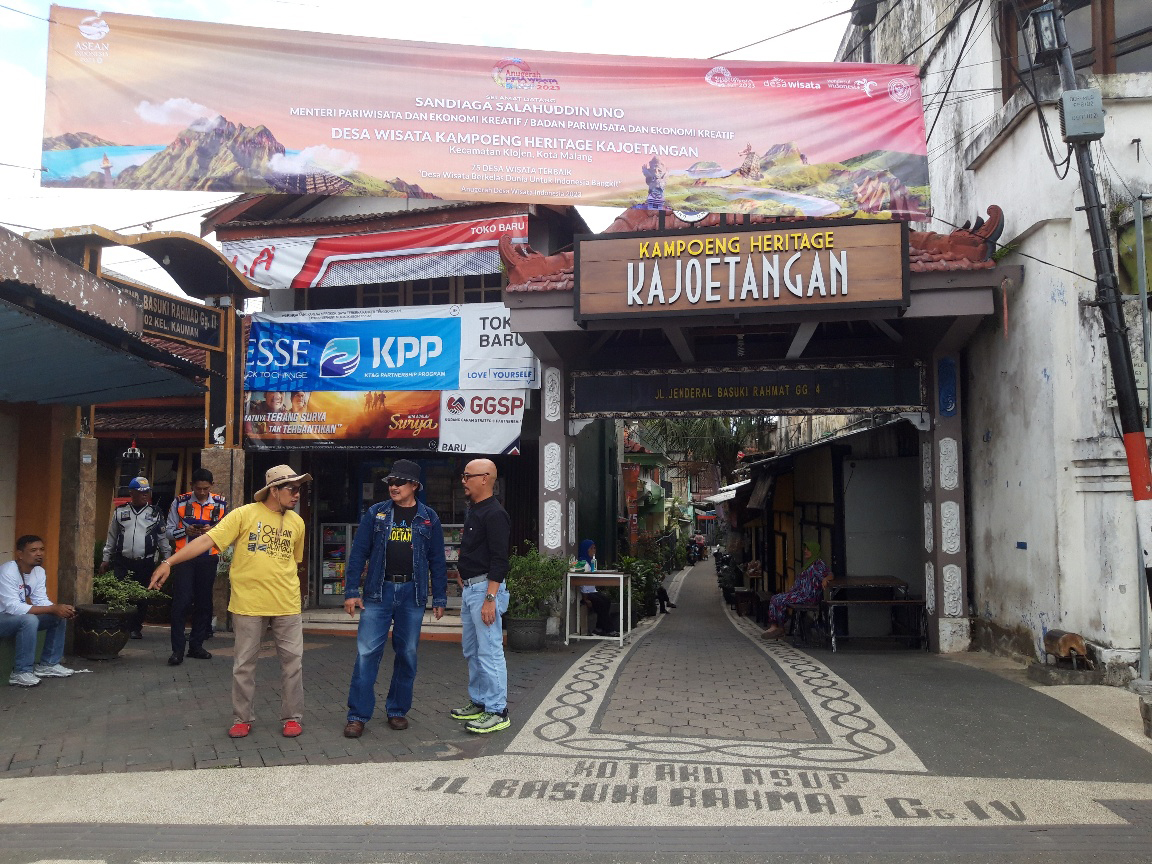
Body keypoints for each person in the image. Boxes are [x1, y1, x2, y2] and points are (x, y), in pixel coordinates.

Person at [150, 464, 310, 740]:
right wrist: (169, 561)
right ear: (274, 490)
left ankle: (292, 717)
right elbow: (206, 541)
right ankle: (242, 718)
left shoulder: (298, 522)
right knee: (244, 664)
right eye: (291, 489)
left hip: (287, 604)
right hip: (248, 604)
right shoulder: (244, 515)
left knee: (293, 664)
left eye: (298, 489)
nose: (297, 494)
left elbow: (294, 563)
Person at [342, 459, 447, 738]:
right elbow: (358, 552)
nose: (393, 486)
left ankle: (398, 710)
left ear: (414, 485)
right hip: (378, 593)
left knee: (408, 654)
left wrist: (439, 597)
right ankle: (357, 715)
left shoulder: (428, 517)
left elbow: (438, 560)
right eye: (390, 482)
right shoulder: (376, 513)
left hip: (412, 594)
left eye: (400, 482)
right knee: (367, 654)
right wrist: (352, 591)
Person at [449, 458, 511, 734]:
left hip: (485, 590)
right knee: (472, 650)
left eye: (468, 476)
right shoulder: (475, 510)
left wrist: (490, 598)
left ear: (485, 478)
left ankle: (498, 711)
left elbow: (500, 559)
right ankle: (480, 701)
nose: (464, 480)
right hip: (472, 589)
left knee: (490, 651)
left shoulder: (495, 514)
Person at [165, 468, 227, 666]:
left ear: (212, 486)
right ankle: (177, 650)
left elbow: (229, 532)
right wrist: (185, 530)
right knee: (181, 603)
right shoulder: (180, 501)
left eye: (205, 489)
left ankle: (196, 646)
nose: (201, 493)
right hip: (184, 558)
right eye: (198, 488)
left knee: (204, 603)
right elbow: (167, 532)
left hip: (208, 558)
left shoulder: (221, 503)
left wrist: (213, 530)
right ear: (192, 485)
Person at [0, 535, 77, 686]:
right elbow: (12, 607)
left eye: (41, 549)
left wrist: (60, 609)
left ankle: (48, 665)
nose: (39, 553)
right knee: (29, 619)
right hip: (3, 617)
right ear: (20, 554)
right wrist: (52, 608)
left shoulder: (39, 572)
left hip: (14, 618)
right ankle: (21, 672)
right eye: (33, 550)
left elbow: (41, 600)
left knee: (57, 615)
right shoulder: (7, 571)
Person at [101, 476, 171, 639]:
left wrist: (167, 560)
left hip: (145, 562)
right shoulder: (120, 511)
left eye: (147, 492)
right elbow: (111, 536)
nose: (144, 495)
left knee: (141, 596)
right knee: (121, 594)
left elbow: (162, 539)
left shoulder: (155, 513)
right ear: (131, 492)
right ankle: (120, 625)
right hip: (123, 561)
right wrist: (106, 558)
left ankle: (135, 627)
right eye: (140, 492)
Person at [761, 540, 832, 640]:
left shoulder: (818, 564)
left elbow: (830, 574)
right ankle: (777, 627)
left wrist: (826, 579)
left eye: (808, 550)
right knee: (776, 598)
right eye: (805, 549)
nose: (805, 551)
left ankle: (778, 627)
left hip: (807, 597)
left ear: (814, 551)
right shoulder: (809, 564)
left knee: (777, 599)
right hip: (800, 594)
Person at [576, 539, 614, 636]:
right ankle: (608, 629)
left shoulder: (591, 562)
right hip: (587, 593)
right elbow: (582, 582)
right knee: (601, 603)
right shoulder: (582, 563)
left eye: (594, 548)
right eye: (591, 548)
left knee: (606, 601)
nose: (594, 550)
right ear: (586, 550)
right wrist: (585, 598)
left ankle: (599, 628)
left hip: (592, 591)